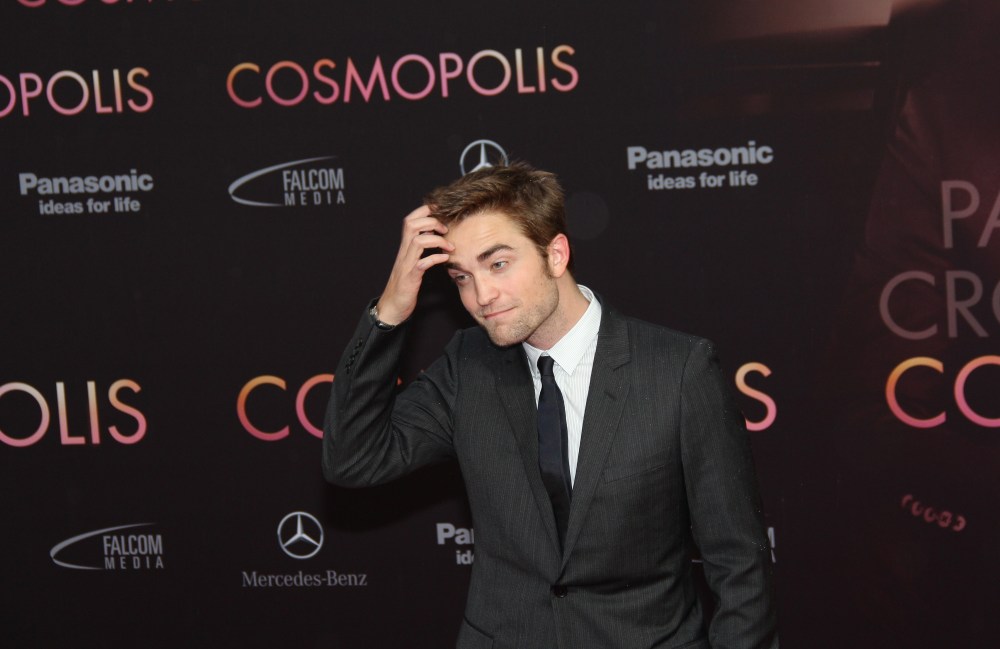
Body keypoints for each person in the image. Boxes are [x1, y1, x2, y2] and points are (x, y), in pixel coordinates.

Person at [322, 162, 778, 649]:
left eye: (498, 264)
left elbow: (739, 565)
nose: (481, 296)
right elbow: (354, 459)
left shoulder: (678, 370)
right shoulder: (467, 366)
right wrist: (390, 309)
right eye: (461, 277)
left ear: (555, 254)